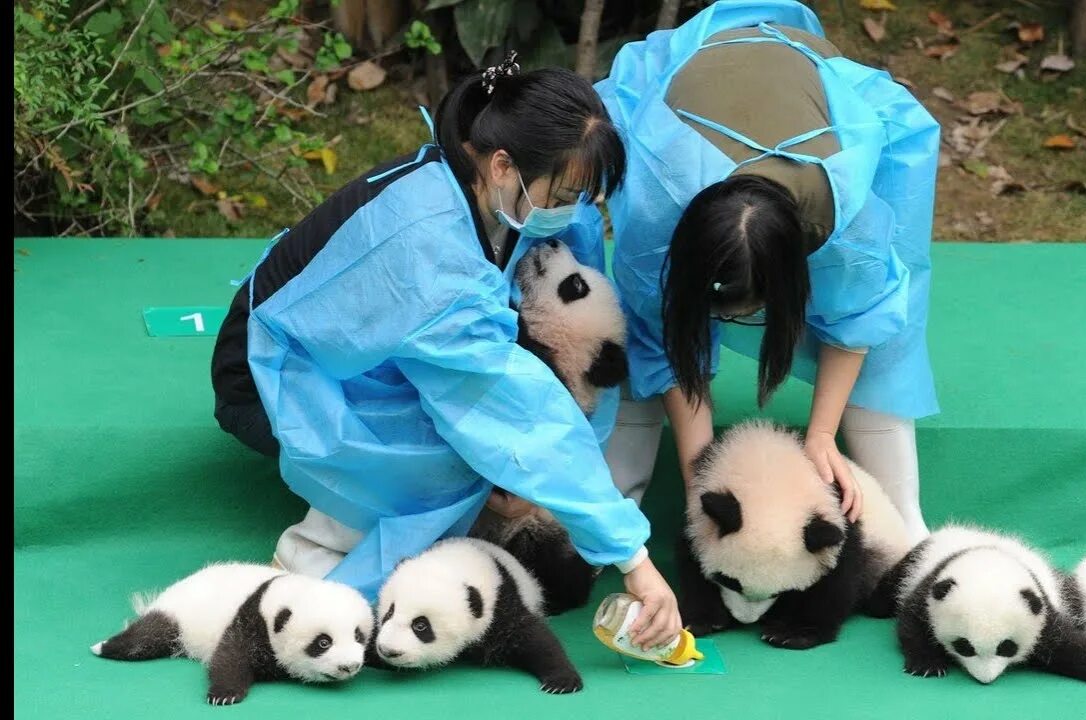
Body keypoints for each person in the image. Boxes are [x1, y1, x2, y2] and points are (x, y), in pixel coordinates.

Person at [209, 53, 681, 650]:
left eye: (583, 194)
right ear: (504, 165)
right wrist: (631, 556)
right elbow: (509, 405)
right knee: (460, 450)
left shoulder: (486, 185)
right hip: (269, 372)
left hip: (352, 343)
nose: (573, 208)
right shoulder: (432, 246)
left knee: (494, 431)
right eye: (564, 193)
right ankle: (318, 558)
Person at [595, 0, 939, 542]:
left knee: (885, 338)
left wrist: (821, 435)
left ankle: (908, 527)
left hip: (807, 85)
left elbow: (860, 319)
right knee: (641, 345)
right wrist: (699, 474)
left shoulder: (844, 223)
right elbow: (664, 339)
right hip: (692, 88)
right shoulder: (656, 213)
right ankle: (612, 514)